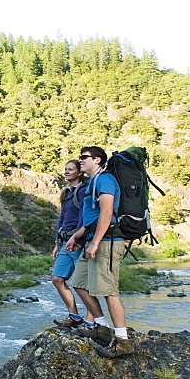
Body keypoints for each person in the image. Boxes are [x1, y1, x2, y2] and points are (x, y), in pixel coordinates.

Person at [65, 146, 132, 357]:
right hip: (92, 238)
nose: (80, 161)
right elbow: (93, 217)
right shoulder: (93, 182)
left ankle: (122, 341)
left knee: (109, 290)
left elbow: (106, 212)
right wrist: (78, 235)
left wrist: (95, 242)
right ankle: (102, 328)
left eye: (84, 157)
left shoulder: (105, 180)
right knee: (79, 282)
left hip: (107, 241)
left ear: (97, 160)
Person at [51, 159, 88, 329]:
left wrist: (78, 240)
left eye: (70, 169)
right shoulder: (66, 192)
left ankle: (92, 320)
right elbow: (62, 219)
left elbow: (84, 217)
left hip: (78, 242)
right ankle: (74, 316)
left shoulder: (84, 191)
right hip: (65, 242)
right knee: (57, 279)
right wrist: (57, 244)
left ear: (80, 173)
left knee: (83, 284)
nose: (66, 172)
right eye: (65, 169)